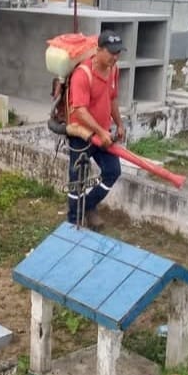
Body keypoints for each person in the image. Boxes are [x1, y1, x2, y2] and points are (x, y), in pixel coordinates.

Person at [66, 29, 126, 229]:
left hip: (103, 134)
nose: (115, 57)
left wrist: (119, 123)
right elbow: (80, 110)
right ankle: (73, 220)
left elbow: (112, 98)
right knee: (77, 179)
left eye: (118, 53)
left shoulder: (113, 70)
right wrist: (100, 132)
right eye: (111, 52)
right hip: (82, 135)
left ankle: (88, 206)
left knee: (112, 171)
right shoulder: (82, 74)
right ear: (98, 50)